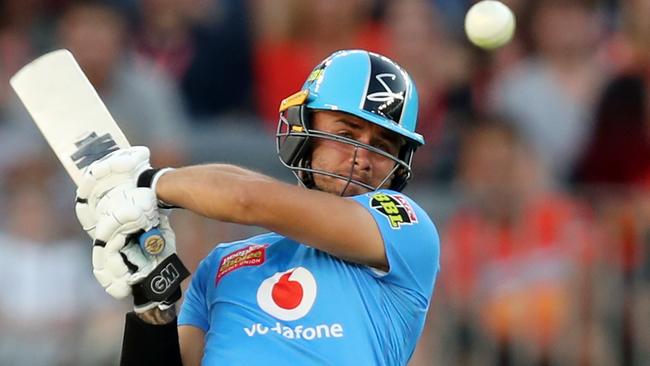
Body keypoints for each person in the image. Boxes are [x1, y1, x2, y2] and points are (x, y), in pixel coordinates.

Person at [76, 50, 440, 365]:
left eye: (383, 146)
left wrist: (148, 183)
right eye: (346, 135)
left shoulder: (405, 227)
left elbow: (246, 199)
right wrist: (151, 297)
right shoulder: (220, 264)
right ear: (304, 131)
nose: (362, 158)